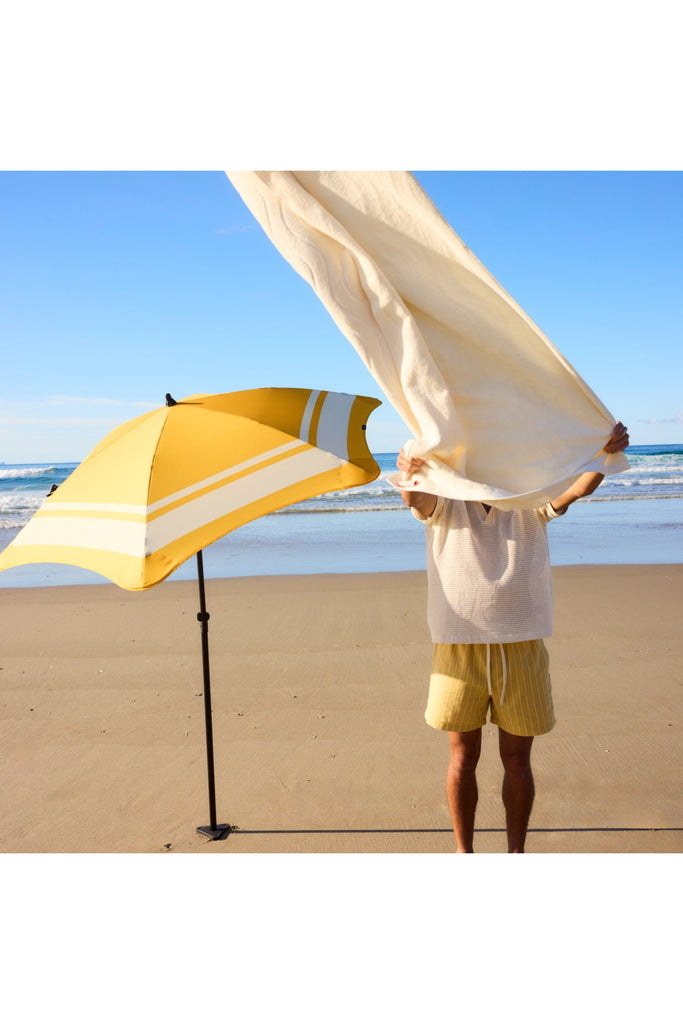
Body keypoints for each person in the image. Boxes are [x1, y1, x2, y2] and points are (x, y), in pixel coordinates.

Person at [398, 422, 630, 853]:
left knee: (517, 761)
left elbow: (578, 490)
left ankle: (515, 854)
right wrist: (412, 471)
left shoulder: (528, 494)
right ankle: (464, 853)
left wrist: (605, 455)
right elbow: (417, 499)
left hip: (522, 642)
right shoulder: (447, 495)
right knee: (462, 758)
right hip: (458, 644)